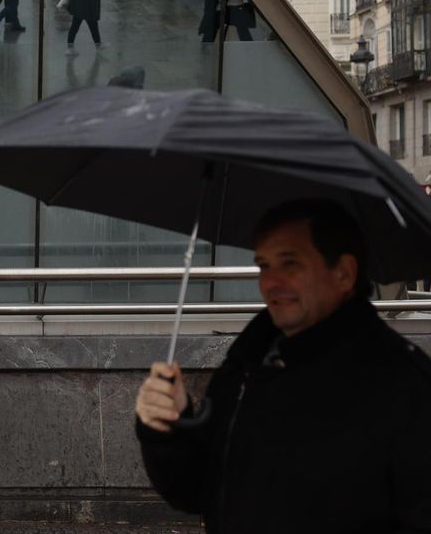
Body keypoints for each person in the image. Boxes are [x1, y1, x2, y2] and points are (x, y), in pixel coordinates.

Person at [134, 199, 431, 532]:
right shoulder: (249, 361)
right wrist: (168, 429)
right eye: (264, 266)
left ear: (344, 273)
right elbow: (196, 491)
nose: (270, 283)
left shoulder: (403, 383)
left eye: (290, 264)